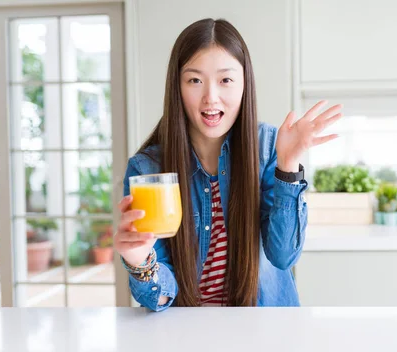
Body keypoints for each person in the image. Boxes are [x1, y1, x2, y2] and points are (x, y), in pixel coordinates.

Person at [114, 18, 342, 310]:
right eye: (194, 80)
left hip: (262, 328)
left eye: (226, 80)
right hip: (187, 331)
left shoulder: (268, 148)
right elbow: (160, 299)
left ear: (245, 83)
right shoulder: (148, 170)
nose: (211, 97)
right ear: (177, 87)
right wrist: (140, 262)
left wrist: (288, 164)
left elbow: (284, 256)